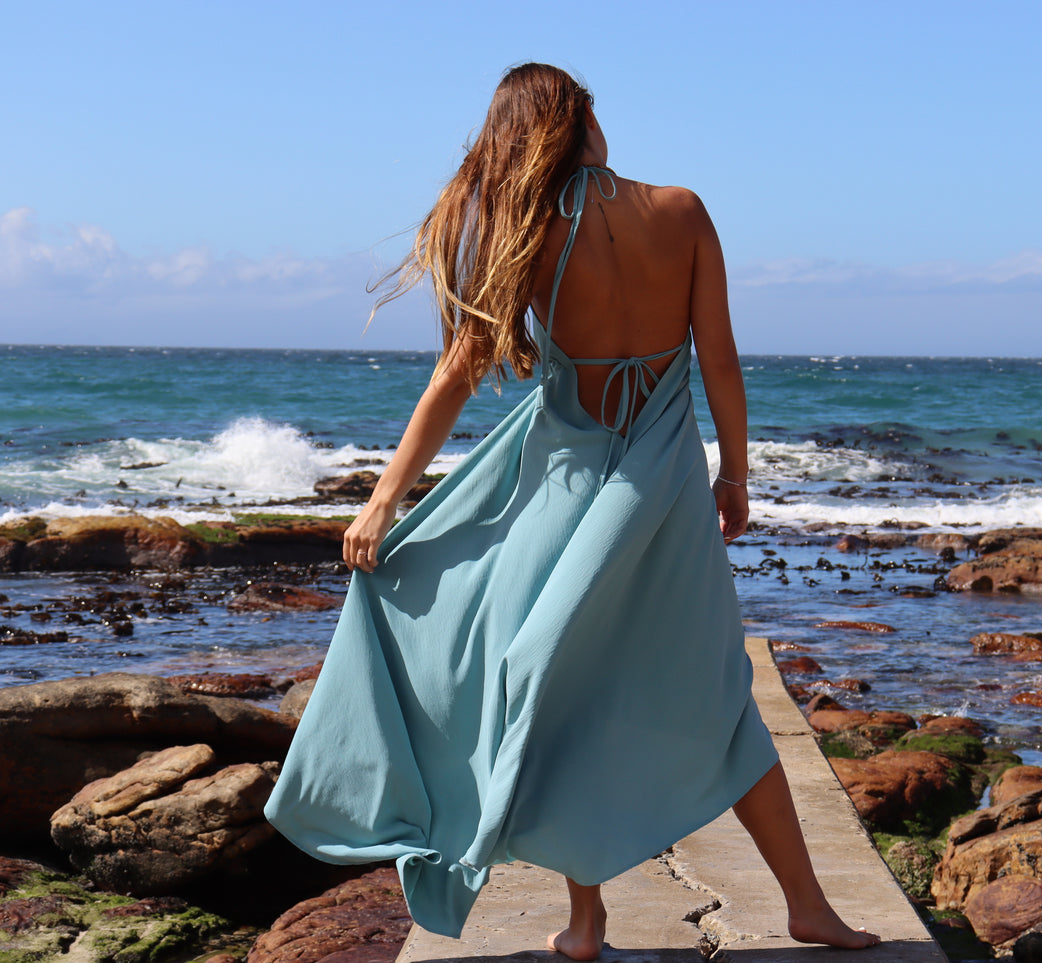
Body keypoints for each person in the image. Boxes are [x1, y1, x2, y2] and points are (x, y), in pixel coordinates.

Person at [264, 62, 880, 959]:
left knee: (554, 681)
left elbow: (457, 376)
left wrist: (384, 500)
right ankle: (803, 903)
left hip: (563, 481)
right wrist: (733, 477)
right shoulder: (683, 209)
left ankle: (587, 917)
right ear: (583, 119)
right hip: (664, 483)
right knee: (718, 694)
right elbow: (722, 365)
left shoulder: (526, 233)